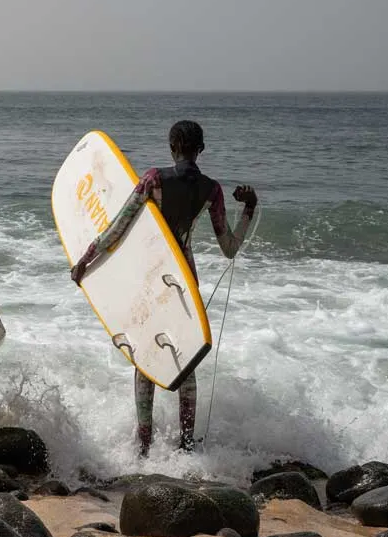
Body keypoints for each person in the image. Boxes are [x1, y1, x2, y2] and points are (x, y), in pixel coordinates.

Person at [70, 119, 258, 456]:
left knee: (145, 357)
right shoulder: (212, 190)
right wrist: (249, 208)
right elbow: (230, 247)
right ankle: (186, 444)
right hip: (184, 282)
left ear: (172, 147)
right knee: (185, 360)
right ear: (201, 149)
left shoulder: (154, 179)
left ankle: (144, 444)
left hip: (149, 278)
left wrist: (86, 259)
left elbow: (118, 228)